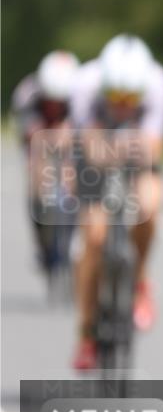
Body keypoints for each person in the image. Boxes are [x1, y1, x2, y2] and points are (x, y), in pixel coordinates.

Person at [69, 34, 163, 370]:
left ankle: (140, 280)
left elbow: (153, 150)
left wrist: (128, 152)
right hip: (94, 153)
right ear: (104, 87)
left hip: (137, 151)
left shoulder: (159, 84)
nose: (123, 104)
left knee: (149, 208)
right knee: (95, 239)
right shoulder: (84, 84)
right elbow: (88, 148)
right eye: (115, 96)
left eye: (132, 97)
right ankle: (86, 332)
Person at [11, 51, 80, 272]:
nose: (55, 105)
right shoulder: (27, 93)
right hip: (37, 139)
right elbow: (27, 133)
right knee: (36, 182)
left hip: (69, 138)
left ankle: (72, 232)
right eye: (51, 100)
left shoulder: (80, 95)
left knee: (76, 177)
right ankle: (41, 241)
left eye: (60, 102)